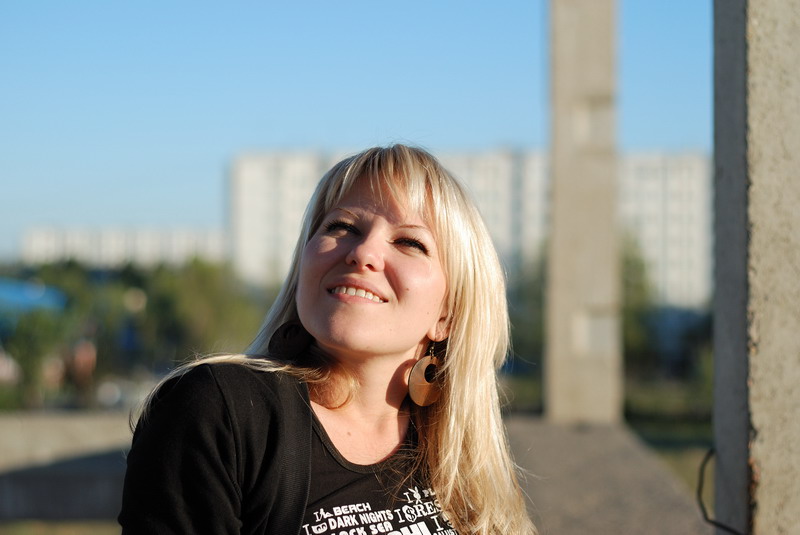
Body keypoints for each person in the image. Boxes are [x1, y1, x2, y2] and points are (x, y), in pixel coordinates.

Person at [119, 144, 537, 534]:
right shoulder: (220, 412)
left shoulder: (462, 460)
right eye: (342, 226)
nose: (363, 252)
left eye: (409, 242)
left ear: (446, 315)